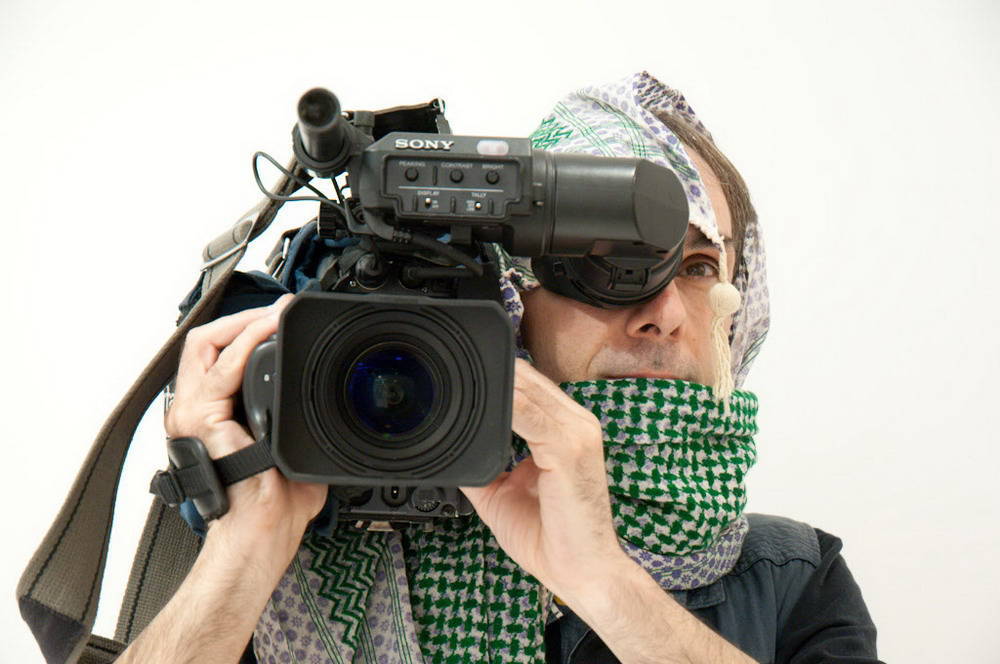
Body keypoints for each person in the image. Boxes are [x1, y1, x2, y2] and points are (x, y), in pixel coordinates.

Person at [117, 71, 882, 664]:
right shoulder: (291, 554)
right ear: (519, 300)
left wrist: (605, 584)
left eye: (699, 268)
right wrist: (241, 557)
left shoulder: (794, 578)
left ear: (740, 317)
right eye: (607, 265)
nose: (663, 312)